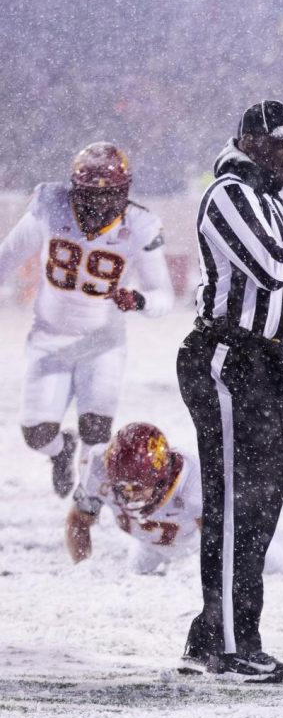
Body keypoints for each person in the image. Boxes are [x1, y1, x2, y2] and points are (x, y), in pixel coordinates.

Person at [176, 99, 283, 682]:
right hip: (227, 357)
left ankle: (211, 638)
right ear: (248, 141)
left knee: (260, 509)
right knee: (233, 507)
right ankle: (231, 643)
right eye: (277, 145)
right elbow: (272, 266)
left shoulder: (274, 202)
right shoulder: (228, 193)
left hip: (265, 362)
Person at [0, 142, 173, 497]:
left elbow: (164, 296)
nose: (98, 203)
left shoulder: (139, 224)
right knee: (37, 434)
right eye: (90, 194)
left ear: (123, 191)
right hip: (49, 337)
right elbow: (7, 257)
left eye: (107, 194)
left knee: (96, 431)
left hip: (102, 344)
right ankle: (61, 450)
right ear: (74, 188)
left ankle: (88, 499)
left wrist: (138, 299)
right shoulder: (50, 206)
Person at [66, 422, 202, 575]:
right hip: (147, 546)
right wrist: (82, 567)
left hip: (195, 550)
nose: (130, 495)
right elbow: (78, 523)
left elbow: (222, 541)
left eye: (138, 487)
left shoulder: (193, 482)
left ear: (161, 478)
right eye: (121, 486)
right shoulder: (96, 468)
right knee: (136, 574)